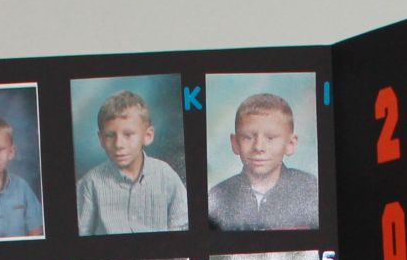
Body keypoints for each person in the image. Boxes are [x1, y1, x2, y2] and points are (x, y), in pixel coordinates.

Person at [76, 90, 188, 235]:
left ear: (147, 136)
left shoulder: (165, 176)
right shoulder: (90, 184)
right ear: (101, 139)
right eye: (110, 135)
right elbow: (80, 238)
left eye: (128, 135)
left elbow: (182, 229)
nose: (118, 144)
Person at [208, 92, 319, 230]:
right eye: (248, 137)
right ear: (235, 143)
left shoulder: (310, 189)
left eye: (270, 138)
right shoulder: (218, 195)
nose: (259, 147)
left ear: (290, 144)